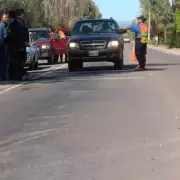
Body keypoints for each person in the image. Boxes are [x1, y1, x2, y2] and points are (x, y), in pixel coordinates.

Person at [0, 11, 9, 80]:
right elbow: (4, 37)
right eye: (6, 17)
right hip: (2, 46)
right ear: (2, 18)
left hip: (3, 45)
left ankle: (3, 75)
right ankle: (2, 76)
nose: (7, 19)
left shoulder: (4, 26)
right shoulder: (2, 26)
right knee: (3, 61)